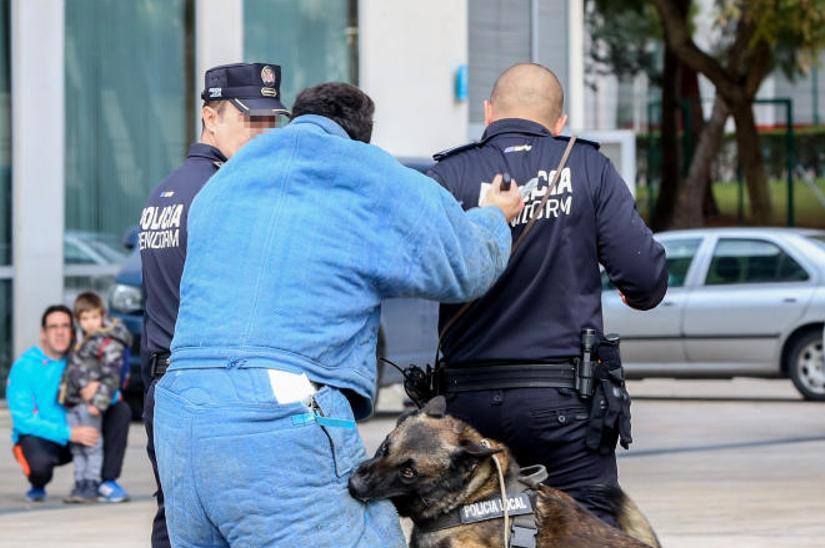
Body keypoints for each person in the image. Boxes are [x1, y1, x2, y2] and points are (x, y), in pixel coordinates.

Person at [153, 82, 523, 546]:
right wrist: (493, 217)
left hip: (180, 411)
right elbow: (466, 266)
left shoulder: (229, 176)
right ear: (360, 137)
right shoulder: (368, 172)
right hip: (275, 408)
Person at [426, 63, 668, 525]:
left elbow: (418, 273)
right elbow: (645, 280)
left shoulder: (447, 176)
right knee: (588, 527)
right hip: (564, 401)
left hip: (468, 405)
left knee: (471, 531)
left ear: (488, 111)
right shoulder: (587, 167)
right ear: (559, 123)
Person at [138, 62, 287, 547]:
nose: (263, 132)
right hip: (211, 385)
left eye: (270, 121)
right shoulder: (225, 190)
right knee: (238, 520)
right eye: (250, 119)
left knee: (178, 517)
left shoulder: (167, 189)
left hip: (166, 387)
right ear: (211, 116)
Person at [8, 305, 131, 504]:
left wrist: (99, 389)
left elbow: (114, 393)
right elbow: (23, 420)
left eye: (65, 326)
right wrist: (70, 433)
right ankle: (37, 483)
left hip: (83, 429)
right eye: (53, 327)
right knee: (38, 467)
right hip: (49, 436)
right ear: (43, 333)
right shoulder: (24, 366)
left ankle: (106, 481)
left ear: (73, 331)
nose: (60, 332)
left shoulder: (82, 359)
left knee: (120, 411)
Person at [59, 292, 131, 503]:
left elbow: (112, 376)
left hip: (92, 404)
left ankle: (93, 482)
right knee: (78, 447)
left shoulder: (108, 342)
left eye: (93, 317)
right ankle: (80, 482)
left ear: (102, 315)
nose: (89, 323)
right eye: (84, 318)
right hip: (75, 402)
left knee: (91, 444)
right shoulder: (81, 339)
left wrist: (98, 402)